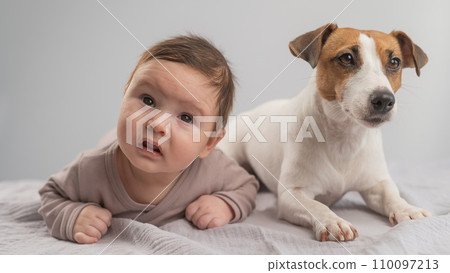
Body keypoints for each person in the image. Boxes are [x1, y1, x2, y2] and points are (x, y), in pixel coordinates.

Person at [38, 35, 259, 244]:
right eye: (148, 101)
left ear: (209, 143)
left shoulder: (212, 169)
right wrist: (72, 216)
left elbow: (247, 186)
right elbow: (52, 193)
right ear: (125, 95)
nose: (157, 124)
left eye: (186, 117)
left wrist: (225, 205)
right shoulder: (91, 169)